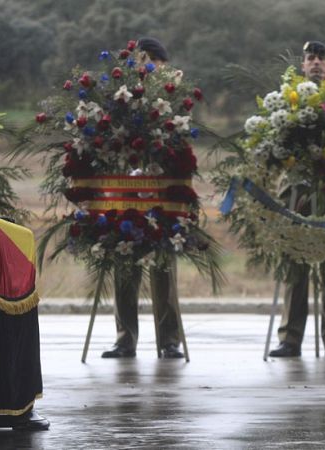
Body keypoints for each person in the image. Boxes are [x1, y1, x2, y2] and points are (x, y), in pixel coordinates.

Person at [268, 41, 325, 358]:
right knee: (295, 264)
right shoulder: (285, 103)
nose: (316, 63)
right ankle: (290, 338)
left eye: (321, 58)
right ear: (302, 66)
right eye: (310, 58)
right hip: (297, 192)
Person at [102, 37, 184, 360]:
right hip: (126, 189)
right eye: (140, 58)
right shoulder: (118, 98)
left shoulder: (176, 97)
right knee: (124, 263)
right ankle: (125, 338)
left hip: (162, 190)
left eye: (153, 59)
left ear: (164, 64)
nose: (146, 64)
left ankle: (169, 340)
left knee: (163, 267)